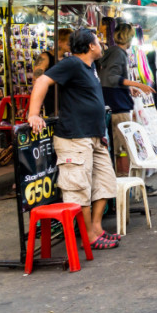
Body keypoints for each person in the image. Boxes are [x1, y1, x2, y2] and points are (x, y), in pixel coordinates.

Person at [27, 28, 119, 250]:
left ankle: (96, 228)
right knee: (79, 188)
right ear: (90, 46)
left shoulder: (91, 67)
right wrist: (33, 114)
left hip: (94, 137)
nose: (101, 45)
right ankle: (88, 235)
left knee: (105, 183)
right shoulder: (72, 64)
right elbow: (41, 81)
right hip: (74, 138)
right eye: (98, 41)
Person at [100, 23, 154, 175]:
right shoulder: (118, 53)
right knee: (123, 148)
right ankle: (123, 180)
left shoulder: (112, 52)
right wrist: (138, 84)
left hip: (115, 103)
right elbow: (112, 77)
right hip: (118, 106)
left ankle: (123, 182)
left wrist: (128, 87)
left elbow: (109, 78)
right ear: (130, 37)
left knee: (121, 147)